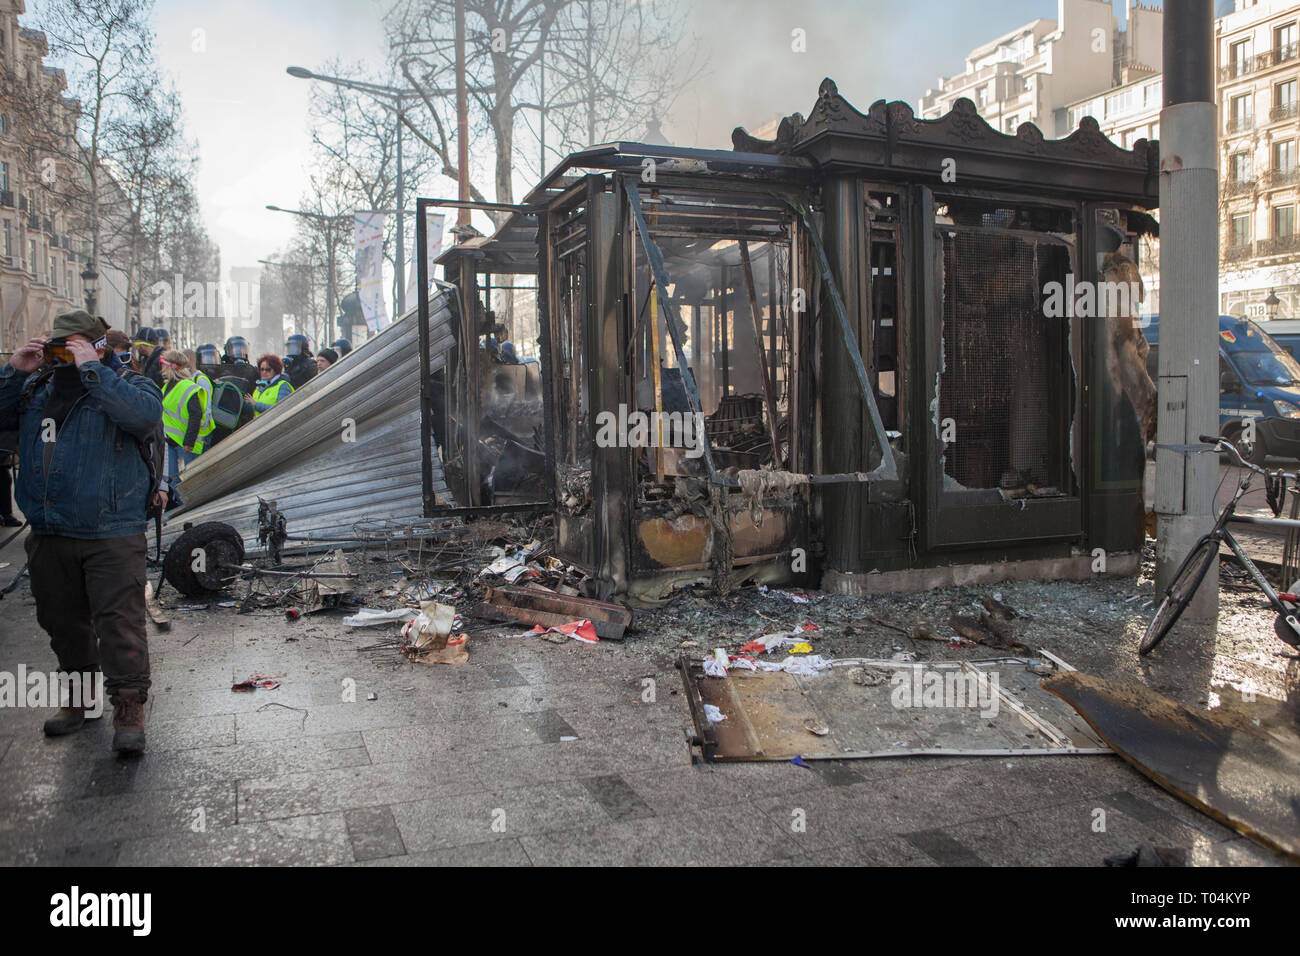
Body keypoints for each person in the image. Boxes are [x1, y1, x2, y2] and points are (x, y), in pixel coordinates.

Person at [0, 310, 164, 755]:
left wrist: (93, 370)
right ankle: (80, 696)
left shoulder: (128, 382)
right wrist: (14, 373)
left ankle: (129, 704)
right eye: (57, 345)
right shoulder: (37, 387)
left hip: (110, 526)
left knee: (120, 623)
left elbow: (144, 418)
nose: (61, 354)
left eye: (71, 345)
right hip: (50, 527)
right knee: (61, 621)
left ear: (98, 346)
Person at [157, 350, 205, 508]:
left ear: (170, 367)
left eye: (163, 365)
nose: (161, 369)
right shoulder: (167, 387)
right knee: (172, 481)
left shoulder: (187, 386)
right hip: (171, 442)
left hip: (185, 444)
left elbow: (196, 414)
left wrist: (189, 442)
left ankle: (190, 511)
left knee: (187, 483)